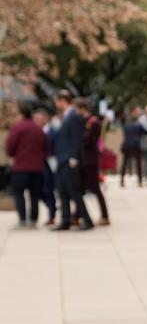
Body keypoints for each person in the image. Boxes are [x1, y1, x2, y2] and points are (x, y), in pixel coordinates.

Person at [51, 90, 92, 231]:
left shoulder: (73, 116)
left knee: (74, 191)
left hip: (69, 160)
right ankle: (65, 220)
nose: (56, 105)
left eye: (57, 101)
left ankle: (87, 220)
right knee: (62, 192)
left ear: (62, 100)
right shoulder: (65, 116)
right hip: (62, 160)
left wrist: (74, 158)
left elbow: (76, 139)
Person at [5, 103, 49, 227]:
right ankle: (34, 220)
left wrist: (13, 155)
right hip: (37, 167)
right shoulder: (38, 128)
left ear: (21, 114)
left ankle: (23, 219)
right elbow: (46, 147)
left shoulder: (17, 127)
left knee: (18, 193)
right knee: (34, 194)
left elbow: (10, 146)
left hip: (21, 167)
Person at [76, 98, 110, 226]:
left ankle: (105, 216)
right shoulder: (83, 121)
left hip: (90, 160)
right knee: (79, 188)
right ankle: (76, 215)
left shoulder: (93, 122)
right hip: (84, 160)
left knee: (95, 188)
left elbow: (87, 139)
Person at [34, 107, 58, 224]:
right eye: (36, 119)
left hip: (49, 164)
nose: (37, 121)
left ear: (46, 119)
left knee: (48, 189)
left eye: (40, 118)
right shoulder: (33, 131)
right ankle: (52, 208)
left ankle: (52, 213)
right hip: (37, 164)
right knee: (38, 190)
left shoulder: (53, 132)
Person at [120, 107, 144, 187]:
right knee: (138, 164)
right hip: (135, 145)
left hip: (127, 145)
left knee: (124, 164)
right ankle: (140, 181)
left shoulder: (126, 124)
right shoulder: (138, 124)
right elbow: (144, 132)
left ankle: (122, 181)